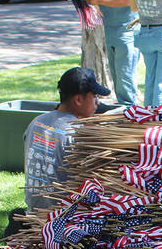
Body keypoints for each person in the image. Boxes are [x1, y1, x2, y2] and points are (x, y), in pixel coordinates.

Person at [23, 67, 109, 211]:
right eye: (94, 96)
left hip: (33, 210)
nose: (97, 103)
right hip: (63, 216)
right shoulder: (76, 133)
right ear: (78, 99)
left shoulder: (36, 122)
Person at [87, 0, 141, 105]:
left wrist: (98, 0)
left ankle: (129, 111)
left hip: (127, 28)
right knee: (116, 75)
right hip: (110, 28)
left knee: (125, 75)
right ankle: (123, 108)